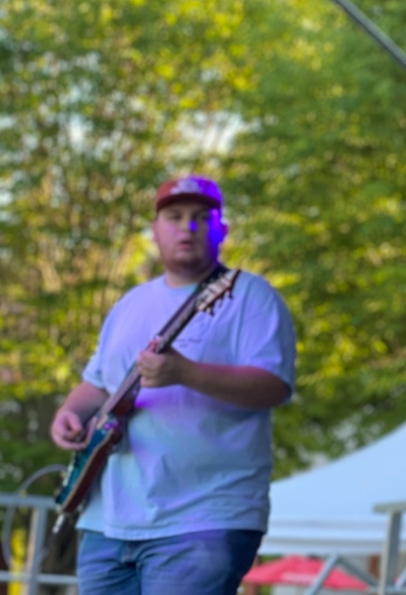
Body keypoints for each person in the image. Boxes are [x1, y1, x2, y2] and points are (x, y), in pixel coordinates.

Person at [50, 176, 297, 595]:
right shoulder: (130, 304)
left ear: (223, 230)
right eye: (175, 217)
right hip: (106, 521)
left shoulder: (251, 295)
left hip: (204, 520)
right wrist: (70, 414)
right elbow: (96, 384)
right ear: (155, 230)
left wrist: (187, 373)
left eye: (203, 218)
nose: (188, 227)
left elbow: (273, 386)